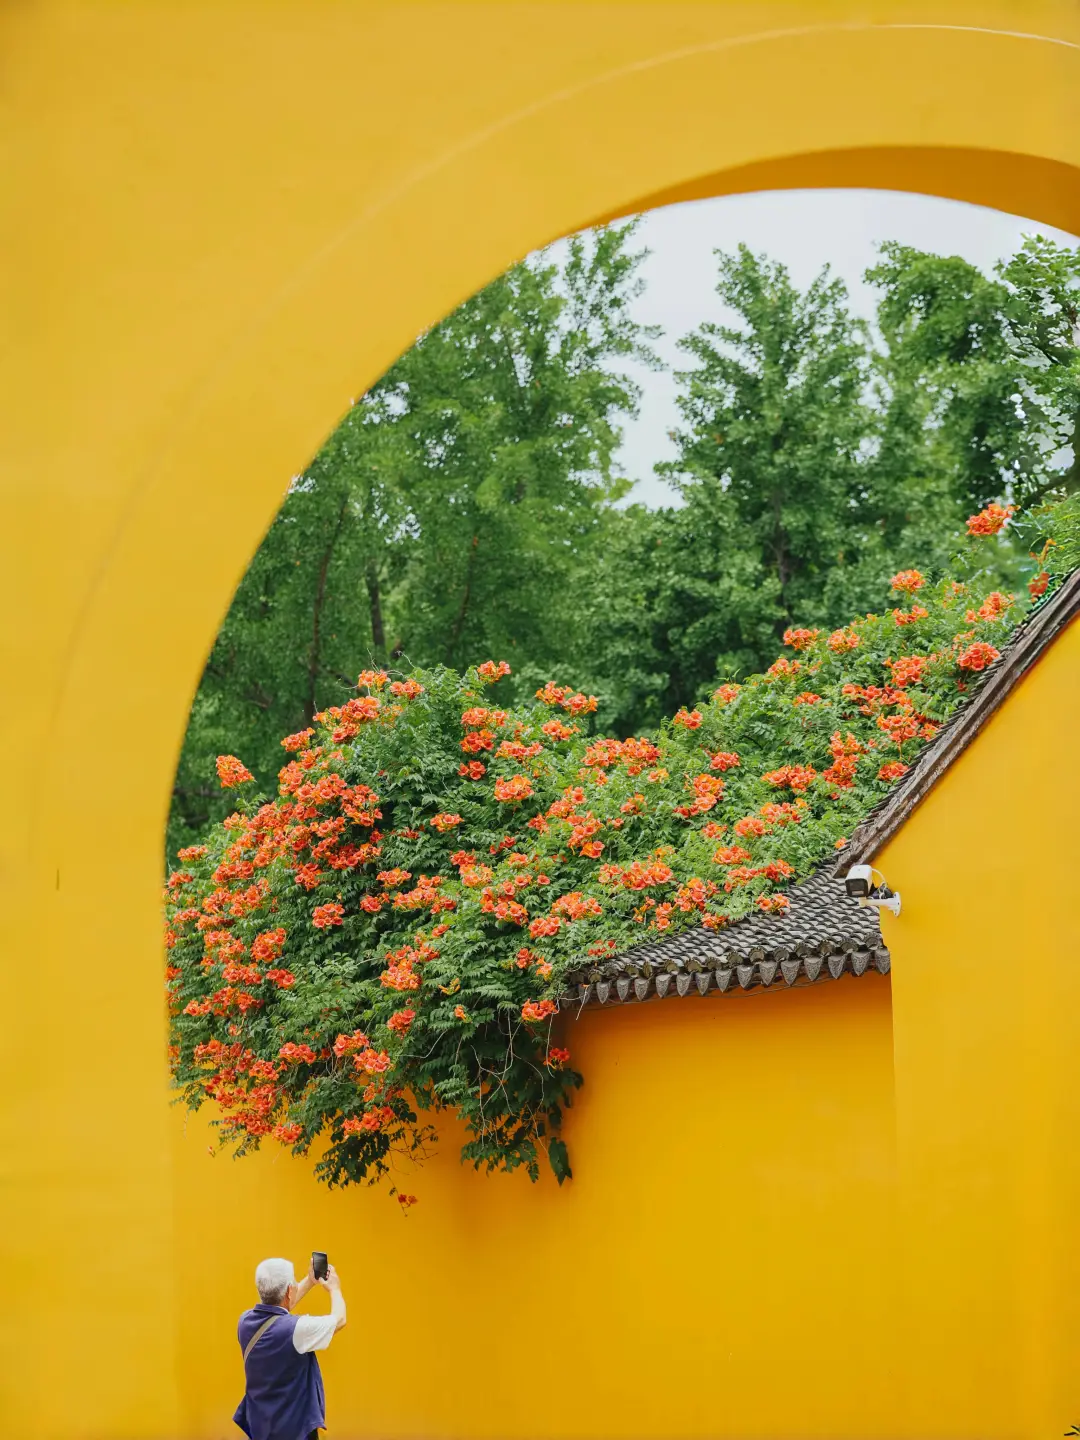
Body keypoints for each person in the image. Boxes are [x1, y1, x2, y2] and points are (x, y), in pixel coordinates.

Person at [233, 1256, 347, 1440]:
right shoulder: (295, 1330)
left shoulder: (244, 1322)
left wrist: (310, 1281)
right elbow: (340, 1320)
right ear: (289, 1290)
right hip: (294, 1430)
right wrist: (335, 1289)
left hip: (261, 1428)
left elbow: (281, 1309)